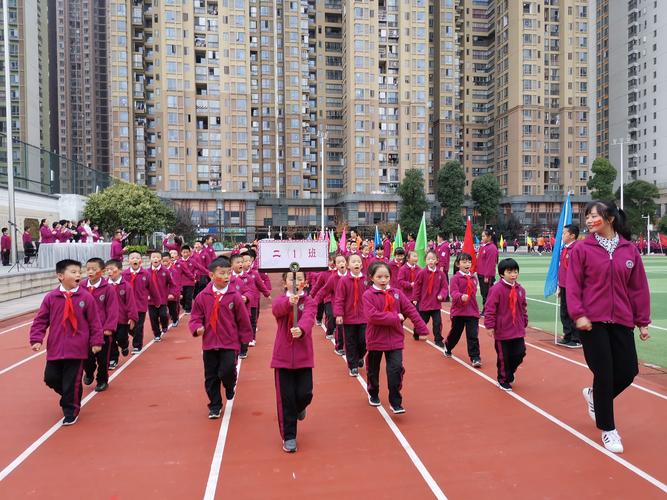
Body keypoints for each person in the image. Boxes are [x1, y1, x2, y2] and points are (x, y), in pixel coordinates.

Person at [566, 201, 651, 454]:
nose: (590, 220)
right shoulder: (583, 248)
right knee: (604, 373)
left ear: (610, 218)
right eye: (587, 216)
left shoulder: (629, 250)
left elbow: (638, 288)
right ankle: (608, 429)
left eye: (594, 216)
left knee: (627, 371)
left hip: (622, 320)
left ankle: (594, 397)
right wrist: (578, 315)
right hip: (592, 322)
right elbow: (573, 285)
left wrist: (642, 321)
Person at [29, 259, 104, 425]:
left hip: (77, 349)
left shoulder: (86, 297)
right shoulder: (51, 297)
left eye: (79, 272)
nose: (78, 275)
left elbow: (94, 322)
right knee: (50, 378)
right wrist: (36, 338)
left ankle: (71, 411)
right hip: (55, 348)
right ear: (60, 276)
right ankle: (69, 396)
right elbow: (41, 320)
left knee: (72, 381)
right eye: (73, 272)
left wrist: (96, 341)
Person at [189, 257, 253, 419]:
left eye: (228, 273)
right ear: (211, 275)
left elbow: (243, 319)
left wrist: (245, 338)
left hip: (229, 342)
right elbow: (195, 317)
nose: (226, 277)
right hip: (209, 343)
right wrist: (197, 328)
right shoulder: (202, 297)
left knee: (226, 371)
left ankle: (230, 385)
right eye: (222, 273)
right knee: (210, 377)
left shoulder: (234, 296)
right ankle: (215, 405)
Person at [363, 261, 428, 414]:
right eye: (379, 276)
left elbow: (410, 310)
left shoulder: (397, 293)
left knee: (396, 369)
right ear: (372, 277)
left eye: (386, 276)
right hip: (376, 340)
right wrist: (395, 317)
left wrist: (422, 328)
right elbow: (372, 316)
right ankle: (373, 392)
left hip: (395, 339)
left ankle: (395, 401)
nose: (383, 280)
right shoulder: (368, 295)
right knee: (373, 370)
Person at [271, 270, 317, 453]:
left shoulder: (309, 302)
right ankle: (289, 436)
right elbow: (276, 310)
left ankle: (300, 408)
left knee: (305, 393)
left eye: (299, 279)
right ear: (285, 283)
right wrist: (288, 303)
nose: (296, 282)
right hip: (282, 358)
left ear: (305, 282)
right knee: (286, 399)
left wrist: (302, 329)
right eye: (292, 279)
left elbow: (309, 318)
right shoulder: (281, 300)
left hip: (303, 356)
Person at [484, 258, 528, 392]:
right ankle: (502, 379)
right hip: (503, 331)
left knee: (520, 352)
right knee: (504, 357)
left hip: (517, 329)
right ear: (502, 274)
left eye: (515, 271)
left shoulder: (520, 289)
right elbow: (490, 308)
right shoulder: (496, 289)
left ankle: (510, 372)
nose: (513, 274)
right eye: (510, 272)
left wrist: (524, 320)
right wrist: (490, 325)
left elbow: (523, 307)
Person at [81, 258, 119, 392]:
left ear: (102, 271)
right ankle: (89, 371)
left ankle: (102, 380)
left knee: (103, 359)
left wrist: (109, 328)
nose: (90, 272)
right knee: (86, 356)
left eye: (94, 269)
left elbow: (113, 309)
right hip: (85, 331)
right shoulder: (81, 286)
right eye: (88, 269)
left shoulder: (108, 288)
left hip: (102, 330)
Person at [333, 254, 369, 376]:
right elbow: (339, 299)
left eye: (359, 261)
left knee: (364, 341)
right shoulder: (344, 281)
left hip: (364, 317)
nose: (357, 263)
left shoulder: (366, 280)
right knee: (350, 342)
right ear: (348, 265)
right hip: (349, 318)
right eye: (353, 262)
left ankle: (360, 356)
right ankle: (352, 365)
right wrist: (339, 314)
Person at [444, 253, 481, 367]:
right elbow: (453, 292)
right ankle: (448, 346)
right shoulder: (455, 278)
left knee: (472, 335)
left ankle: (475, 357)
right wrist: (461, 296)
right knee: (456, 333)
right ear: (457, 264)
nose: (467, 264)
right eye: (464, 262)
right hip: (459, 311)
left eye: (469, 262)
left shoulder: (474, 278)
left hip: (472, 311)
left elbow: (473, 294)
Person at [105, 259, 138, 370]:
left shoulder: (126, 286)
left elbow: (131, 303)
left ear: (120, 270)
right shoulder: (104, 286)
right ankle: (113, 359)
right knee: (110, 340)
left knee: (121, 337)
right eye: (107, 269)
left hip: (122, 319)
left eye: (112, 269)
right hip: (109, 320)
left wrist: (132, 317)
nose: (109, 272)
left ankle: (124, 345)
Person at [411, 250, 448, 347]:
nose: (431, 261)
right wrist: (415, 298)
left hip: (435, 304)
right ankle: (416, 331)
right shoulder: (422, 273)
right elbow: (417, 287)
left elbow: (444, 287)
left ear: (437, 260)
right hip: (424, 303)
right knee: (422, 322)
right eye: (428, 259)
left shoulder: (441, 274)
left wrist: (442, 295)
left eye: (433, 259)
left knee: (437, 323)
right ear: (425, 261)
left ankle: (438, 339)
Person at [314, 254, 348, 355]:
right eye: (338, 262)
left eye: (343, 261)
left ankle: (357, 354)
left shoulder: (352, 276)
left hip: (351, 308)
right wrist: (312, 302)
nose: (341, 263)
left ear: (346, 263)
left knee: (354, 332)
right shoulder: (332, 277)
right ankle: (339, 346)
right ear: (336, 265)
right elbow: (322, 290)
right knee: (340, 327)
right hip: (336, 305)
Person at [556, 224, 581, 348]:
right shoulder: (564, 249)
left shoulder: (577, 249)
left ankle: (576, 338)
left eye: (564, 233)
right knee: (564, 312)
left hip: (573, 286)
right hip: (564, 285)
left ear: (572, 235)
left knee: (573, 312)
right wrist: (560, 286)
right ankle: (568, 335)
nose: (562, 235)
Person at [241, 249, 271, 346]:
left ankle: (252, 338)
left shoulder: (255, 273)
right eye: (245, 261)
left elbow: (260, 285)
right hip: (241, 303)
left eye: (249, 261)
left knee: (252, 321)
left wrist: (267, 294)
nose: (248, 263)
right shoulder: (237, 275)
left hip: (253, 301)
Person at [122, 251, 150, 354]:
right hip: (127, 306)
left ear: (141, 261)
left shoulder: (146, 274)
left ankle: (137, 345)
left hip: (140, 305)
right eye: (132, 258)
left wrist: (156, 299)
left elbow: (152, 288)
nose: (135, 259)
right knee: (128, 327)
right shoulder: (124, 275)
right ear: (128, 261)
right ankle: (137, 335)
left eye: (137, 258)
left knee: (138, 326)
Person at [146, 250, 175, 342]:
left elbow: (172, 284)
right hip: (151, 300)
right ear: (150, 259)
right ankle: (157, 334)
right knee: (153, 318)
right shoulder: (146, 272)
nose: (156, 259)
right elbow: (143, 286)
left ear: (161, 260)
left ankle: (165, 325)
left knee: (163, 315)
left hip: (162, 298)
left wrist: (171, 293)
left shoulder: (165, 271)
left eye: (158, 257)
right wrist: (146, 295)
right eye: (153, 257)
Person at [476, 229, 499, 316]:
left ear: (489, 237)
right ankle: (486, 309)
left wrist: (487, 275)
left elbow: (490, 264)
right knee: (483, 292)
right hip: (481, 273)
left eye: (483, 236)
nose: (482, 238)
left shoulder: (492, 248)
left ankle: (488, 310)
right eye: (482, 236)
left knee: (487, 293)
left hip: (487, 275)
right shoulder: (483, 246)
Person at [163, 251, 182, 328]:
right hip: (162, 294)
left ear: (170, 260)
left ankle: (175, 319)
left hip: (172, 294)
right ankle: (164, 323)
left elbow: (176, 283)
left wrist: (174, 294)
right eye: (163, 261)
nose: (165, 263)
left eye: (166, 261)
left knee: (172, 309)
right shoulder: (159, 271)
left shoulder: (173, 271)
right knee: (162, 311)